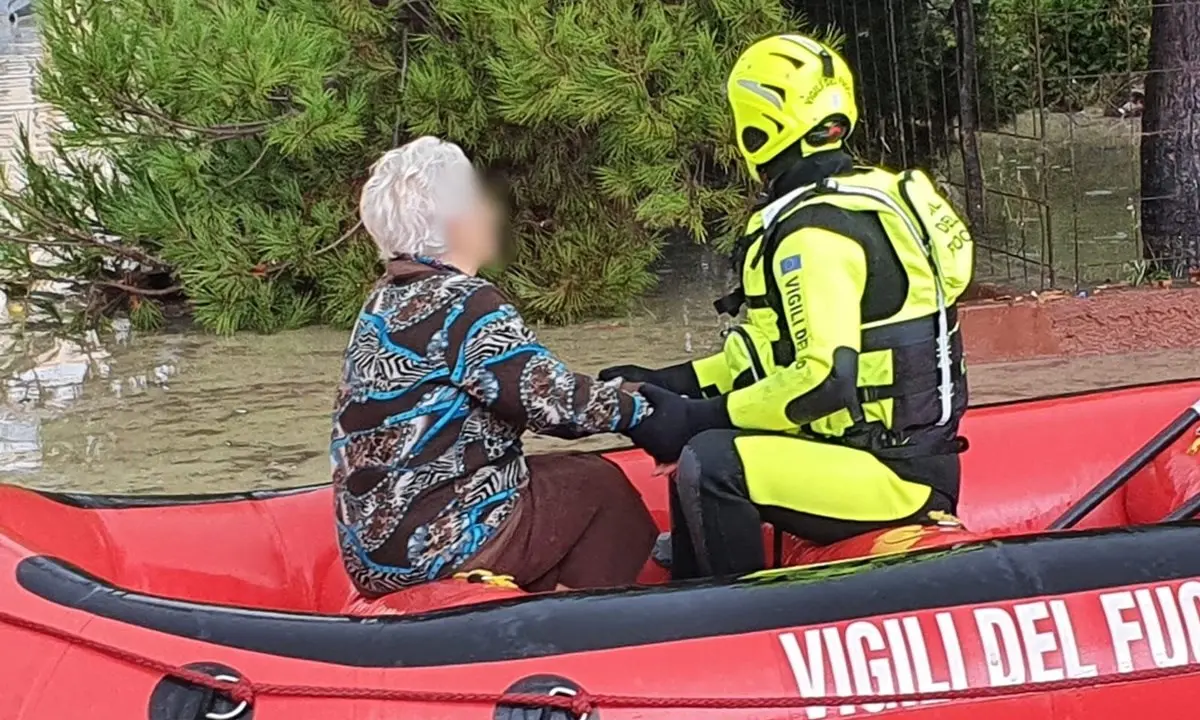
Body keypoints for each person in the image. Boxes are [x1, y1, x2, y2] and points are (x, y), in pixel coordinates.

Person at [602, 35, 974, 580]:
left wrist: (698, 419)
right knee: (707, 445)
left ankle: (733, 625)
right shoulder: (866, 194)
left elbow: (826, 380)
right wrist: (674, 381)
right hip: (881, 455)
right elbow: (772, 357)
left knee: (711, 464)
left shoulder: (813, 233)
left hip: (891, 475)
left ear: (757, 129)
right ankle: (683, 597)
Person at [333, 136, 657, 596]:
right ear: (456, 220)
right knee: (597, 485)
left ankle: (544, 601)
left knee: (550, 483)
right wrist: (646, 410)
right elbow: (553, 404)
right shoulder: (464, 302)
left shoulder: (382, 300)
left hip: (376, 554)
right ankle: (596, 634)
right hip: (438, 545)